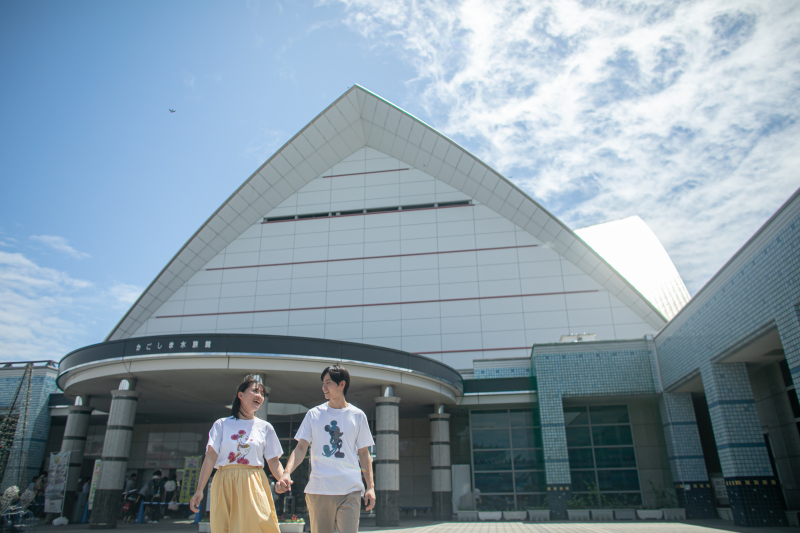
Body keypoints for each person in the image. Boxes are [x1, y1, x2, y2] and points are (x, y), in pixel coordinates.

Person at [279, 365, 375, 533]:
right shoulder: (314, 414)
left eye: (328, 383)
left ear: (342, 384)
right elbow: (300, 448)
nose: (324, 387)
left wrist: (370, 487)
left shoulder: (358, 416)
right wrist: (286, 473)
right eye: (323, 383)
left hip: (350, 490)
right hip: (319, 490)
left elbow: (363, 454)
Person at [189, 375, 287, 533]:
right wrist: (200, 489)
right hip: (224, 480)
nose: (259, 396)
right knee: (224, 526)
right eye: (255, 391)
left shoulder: (265, 427)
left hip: (253, 481)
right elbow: (211, 457)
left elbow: (273, 460)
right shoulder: (221, 424)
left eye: (262, 393)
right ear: (240, 395)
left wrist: (282, 479)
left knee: (257, 525)